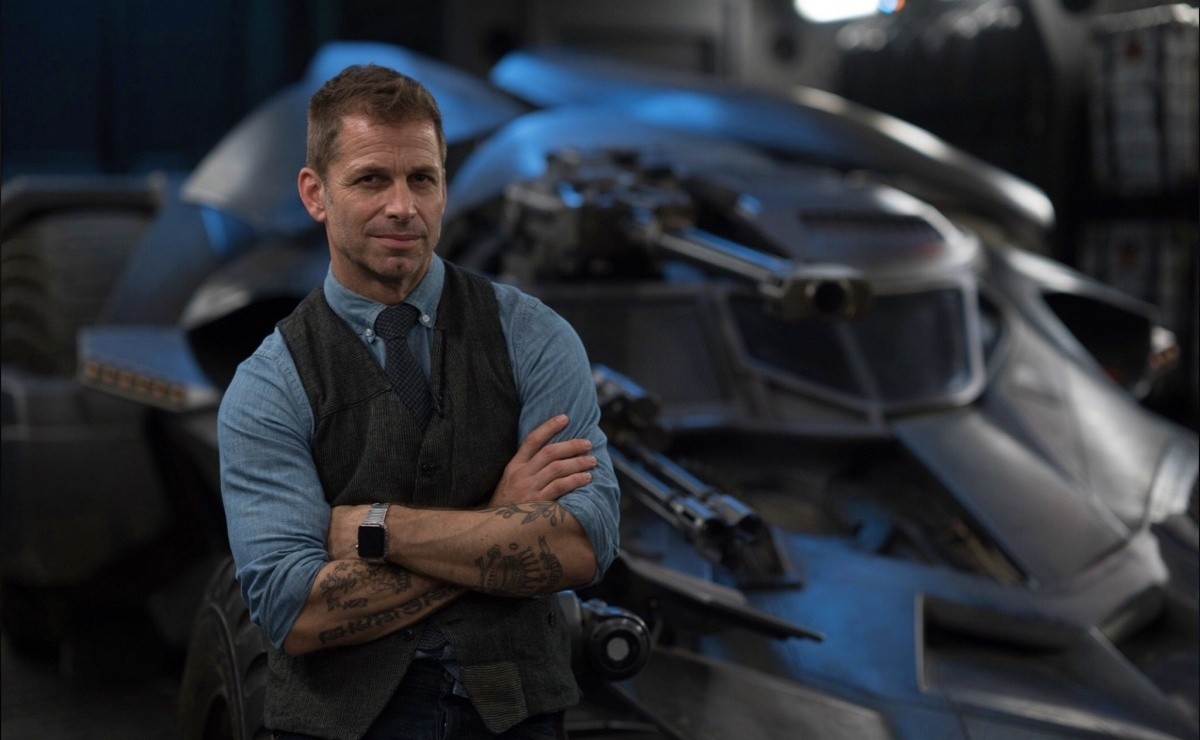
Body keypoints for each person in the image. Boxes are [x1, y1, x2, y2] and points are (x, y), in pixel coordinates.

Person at [218, 63, 620, 740]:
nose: (402, 206)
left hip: (514, 715)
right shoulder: (270, 384)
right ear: (315, 194)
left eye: (422, 179)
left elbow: (583, 544)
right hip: (343, 724)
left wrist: (379, 530)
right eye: (371, 180)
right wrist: (497, 520)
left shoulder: (532, 335)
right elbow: (295, 611)